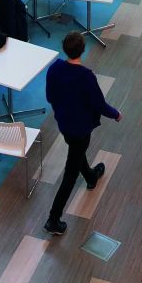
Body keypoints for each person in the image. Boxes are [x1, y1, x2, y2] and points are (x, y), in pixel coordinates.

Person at [44, 31, 121, 236]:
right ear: (83, 49)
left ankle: (90, 176)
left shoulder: (54, 69)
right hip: (81, 128)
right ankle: (53, 219)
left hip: (64, 124)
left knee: (76, 153)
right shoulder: (86, 77)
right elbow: (99, 104)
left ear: (64, 48)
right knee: (70, 175)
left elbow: (50, 96)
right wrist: (116, 114)